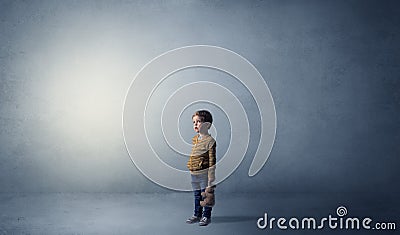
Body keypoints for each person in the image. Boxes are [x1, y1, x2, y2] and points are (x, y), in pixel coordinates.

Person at [186, 110, 216, 226]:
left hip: (205, 173)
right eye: (194, 122)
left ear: (207, 125)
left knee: (206, 195)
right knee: (197, 195)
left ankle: (206, 216)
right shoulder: (196, 139)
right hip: (194, 172)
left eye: (198, 122)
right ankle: (197, 214)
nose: (195, 124)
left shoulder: (210, 141)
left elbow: (212, 159)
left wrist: (211, 175)